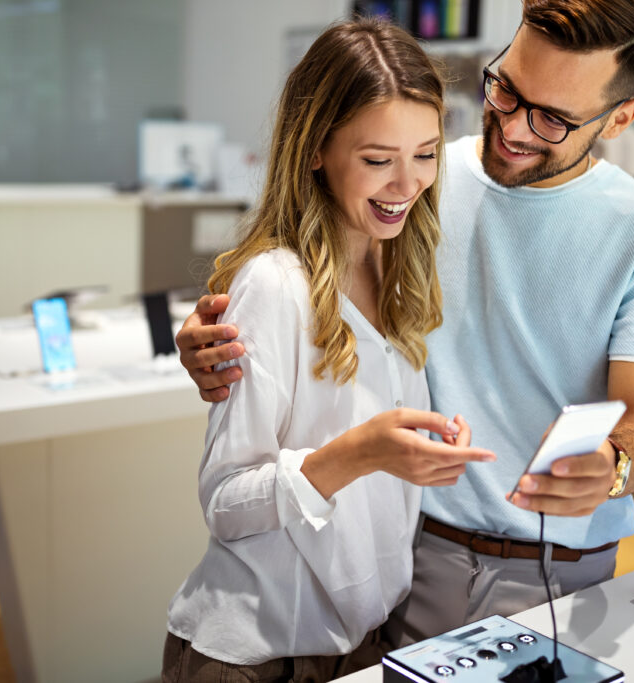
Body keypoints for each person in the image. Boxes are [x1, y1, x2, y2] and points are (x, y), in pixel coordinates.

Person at [176, 0, 634, 648]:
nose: (511, 127)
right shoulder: (417, 174)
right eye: (506, 87)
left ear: (621, 117)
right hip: (410, 556)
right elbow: (299, 265)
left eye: (553, 119)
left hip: (561, 572)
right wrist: (219, 332)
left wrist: (614, 465)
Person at [161, 18, 497, 683]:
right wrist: (359, 452)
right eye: (378, 159)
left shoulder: (398, 269)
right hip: (259, 654)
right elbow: (226, 501)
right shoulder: (274, 286)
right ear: (316, 149)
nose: (408, 183)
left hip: (361, 642)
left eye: (426, 153)